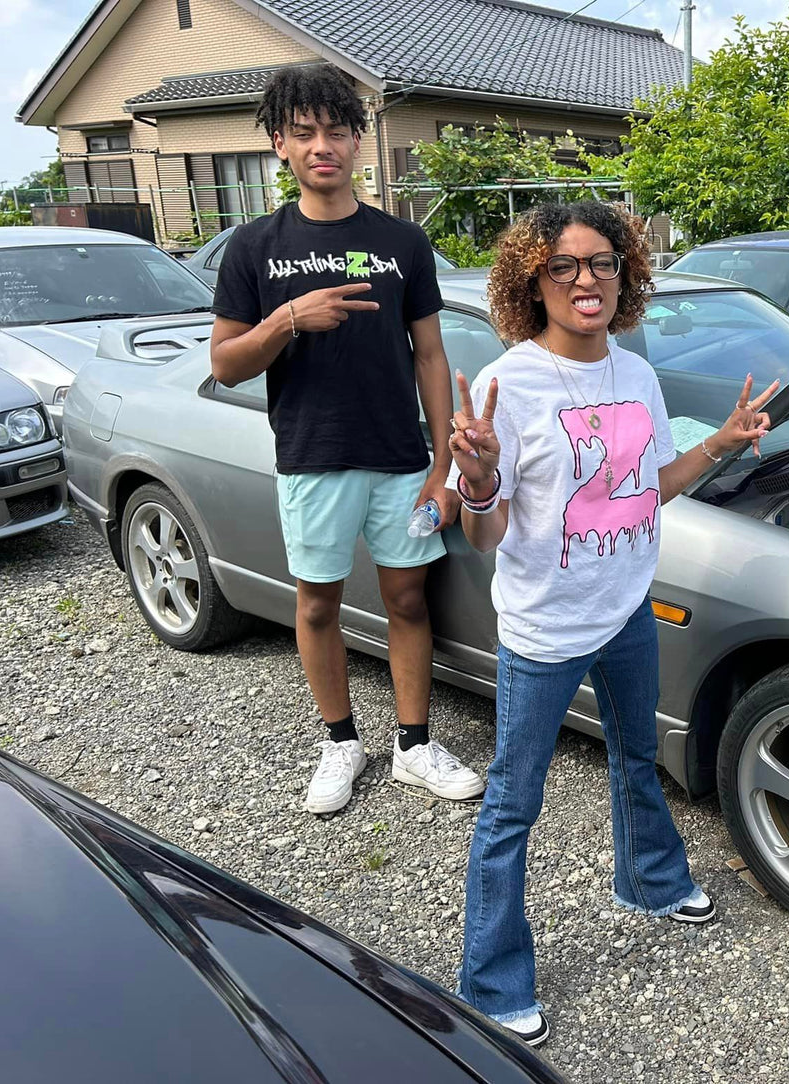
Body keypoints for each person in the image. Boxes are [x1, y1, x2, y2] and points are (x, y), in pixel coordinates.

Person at [447, 200, 777, 1047]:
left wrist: (726, 442)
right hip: (544, 630)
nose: (585, 280)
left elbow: (651, 485)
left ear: (625, 274)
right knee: (514, 803)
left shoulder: (632, 371)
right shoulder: (507, 383)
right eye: (563, 266)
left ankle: (652, 883)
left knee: (636, 758)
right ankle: (489, 980)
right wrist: (477, 478)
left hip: (626, 609)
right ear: (533, 283)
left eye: (602, 263)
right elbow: (485, 534)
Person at [209, 63, 483, 815]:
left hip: (399, 457)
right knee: (317, 605)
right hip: (312, 453)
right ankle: (339, 742)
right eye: (303, 134)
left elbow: (430, 353)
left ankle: (413, 744)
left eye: (336, 130)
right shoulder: (253, 246)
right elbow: (226, 365)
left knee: (408, 600)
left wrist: (441, 466)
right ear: (279, 146)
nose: (321, 146)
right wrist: (288, 318)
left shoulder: (401, 240)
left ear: (359, 141)